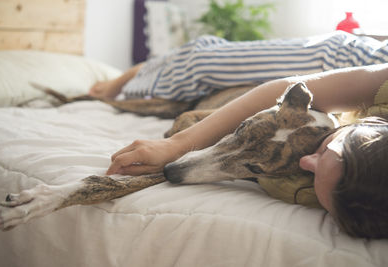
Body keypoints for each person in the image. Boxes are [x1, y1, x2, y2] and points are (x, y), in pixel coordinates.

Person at [90, 33, 388, 239]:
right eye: (325, 153)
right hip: (341, 59)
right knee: (199, 64)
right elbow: (283, 88)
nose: (305, 163)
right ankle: (131, 75)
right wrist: (176, 144)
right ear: (369, 126)